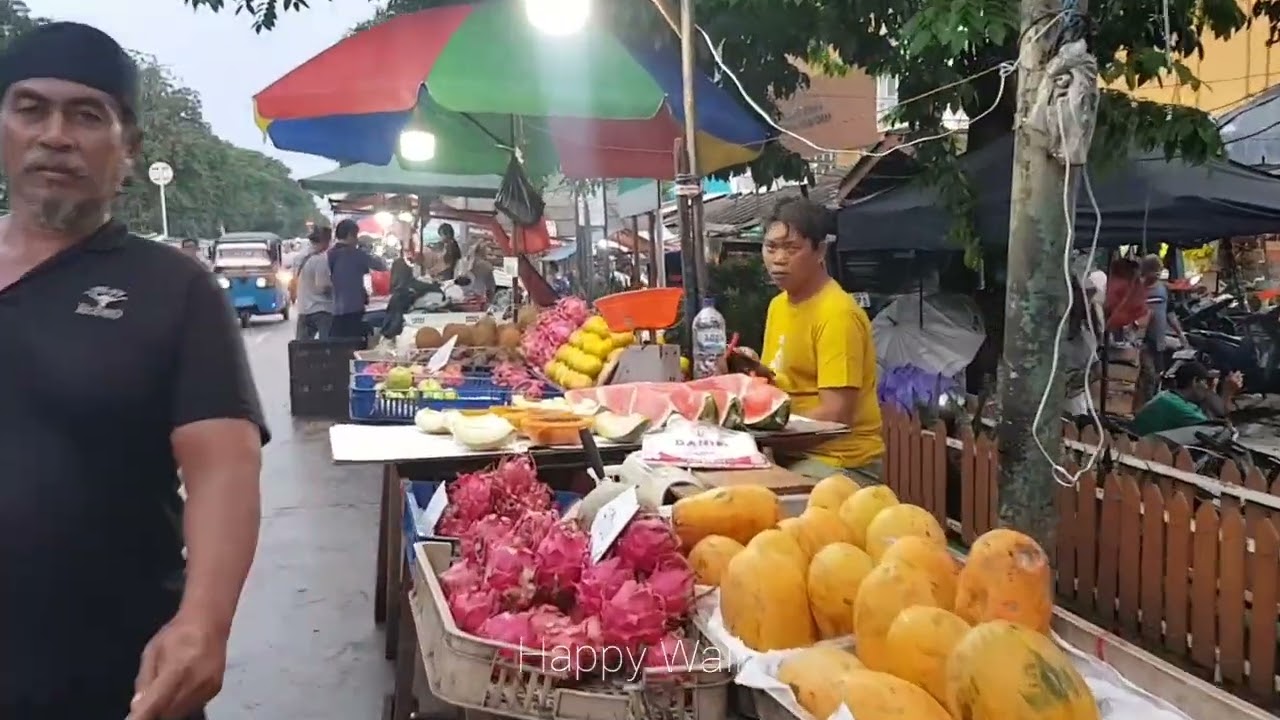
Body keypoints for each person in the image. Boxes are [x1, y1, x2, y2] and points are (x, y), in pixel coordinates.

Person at [0, 23, 266, 719]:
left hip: (116, 676)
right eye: (31, 109)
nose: (55, 134)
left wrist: (204, 622)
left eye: (87, 115)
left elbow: (223, 468)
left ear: (129, 148)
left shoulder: (174, 290)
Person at [738, 198, 883, 481]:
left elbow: (835, 414)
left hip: (842, 463)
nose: (779, 258)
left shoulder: (836, 314)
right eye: (771, 247)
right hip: (791, 454)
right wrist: (750, 372)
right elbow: (780, 383)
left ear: (821, 251)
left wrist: (764, 431)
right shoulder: (778, 306)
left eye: (792, 248)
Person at [1129, 362, 1243, 436]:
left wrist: (1211, 393)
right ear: (1195, 381)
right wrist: (1228, 392)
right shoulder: (1176, 406)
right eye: (1205, 383)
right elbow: (1218, 428)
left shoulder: (1169, 396)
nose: (1207, 388)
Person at [1134, 254, 1187, 407]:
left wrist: (1180, 334)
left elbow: (1170, 313)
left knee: (1159, 374)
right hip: (1142, 341)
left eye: (1159, 270)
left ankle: (1154, 403)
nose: (1156, 274)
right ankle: (1146, 406)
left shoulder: (1163, 289)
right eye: (1153, 270)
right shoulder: (1137, 290)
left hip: (1159, 339)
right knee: (1148, 375)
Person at [328, 217, 385, 339]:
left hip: (333, 310)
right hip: (354, 309)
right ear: (350, 235)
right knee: (355, 345)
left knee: (337, 348)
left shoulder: (329, 255)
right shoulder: (357, 254)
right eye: (356, 235)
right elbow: (381, 265)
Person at [292, 226, 333, 339]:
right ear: (325, 241)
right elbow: (322, 287)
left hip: (303, 309)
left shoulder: (299, 258)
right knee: (328, 347)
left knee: (302, 349)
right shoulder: (320, 259)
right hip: (321, 309)